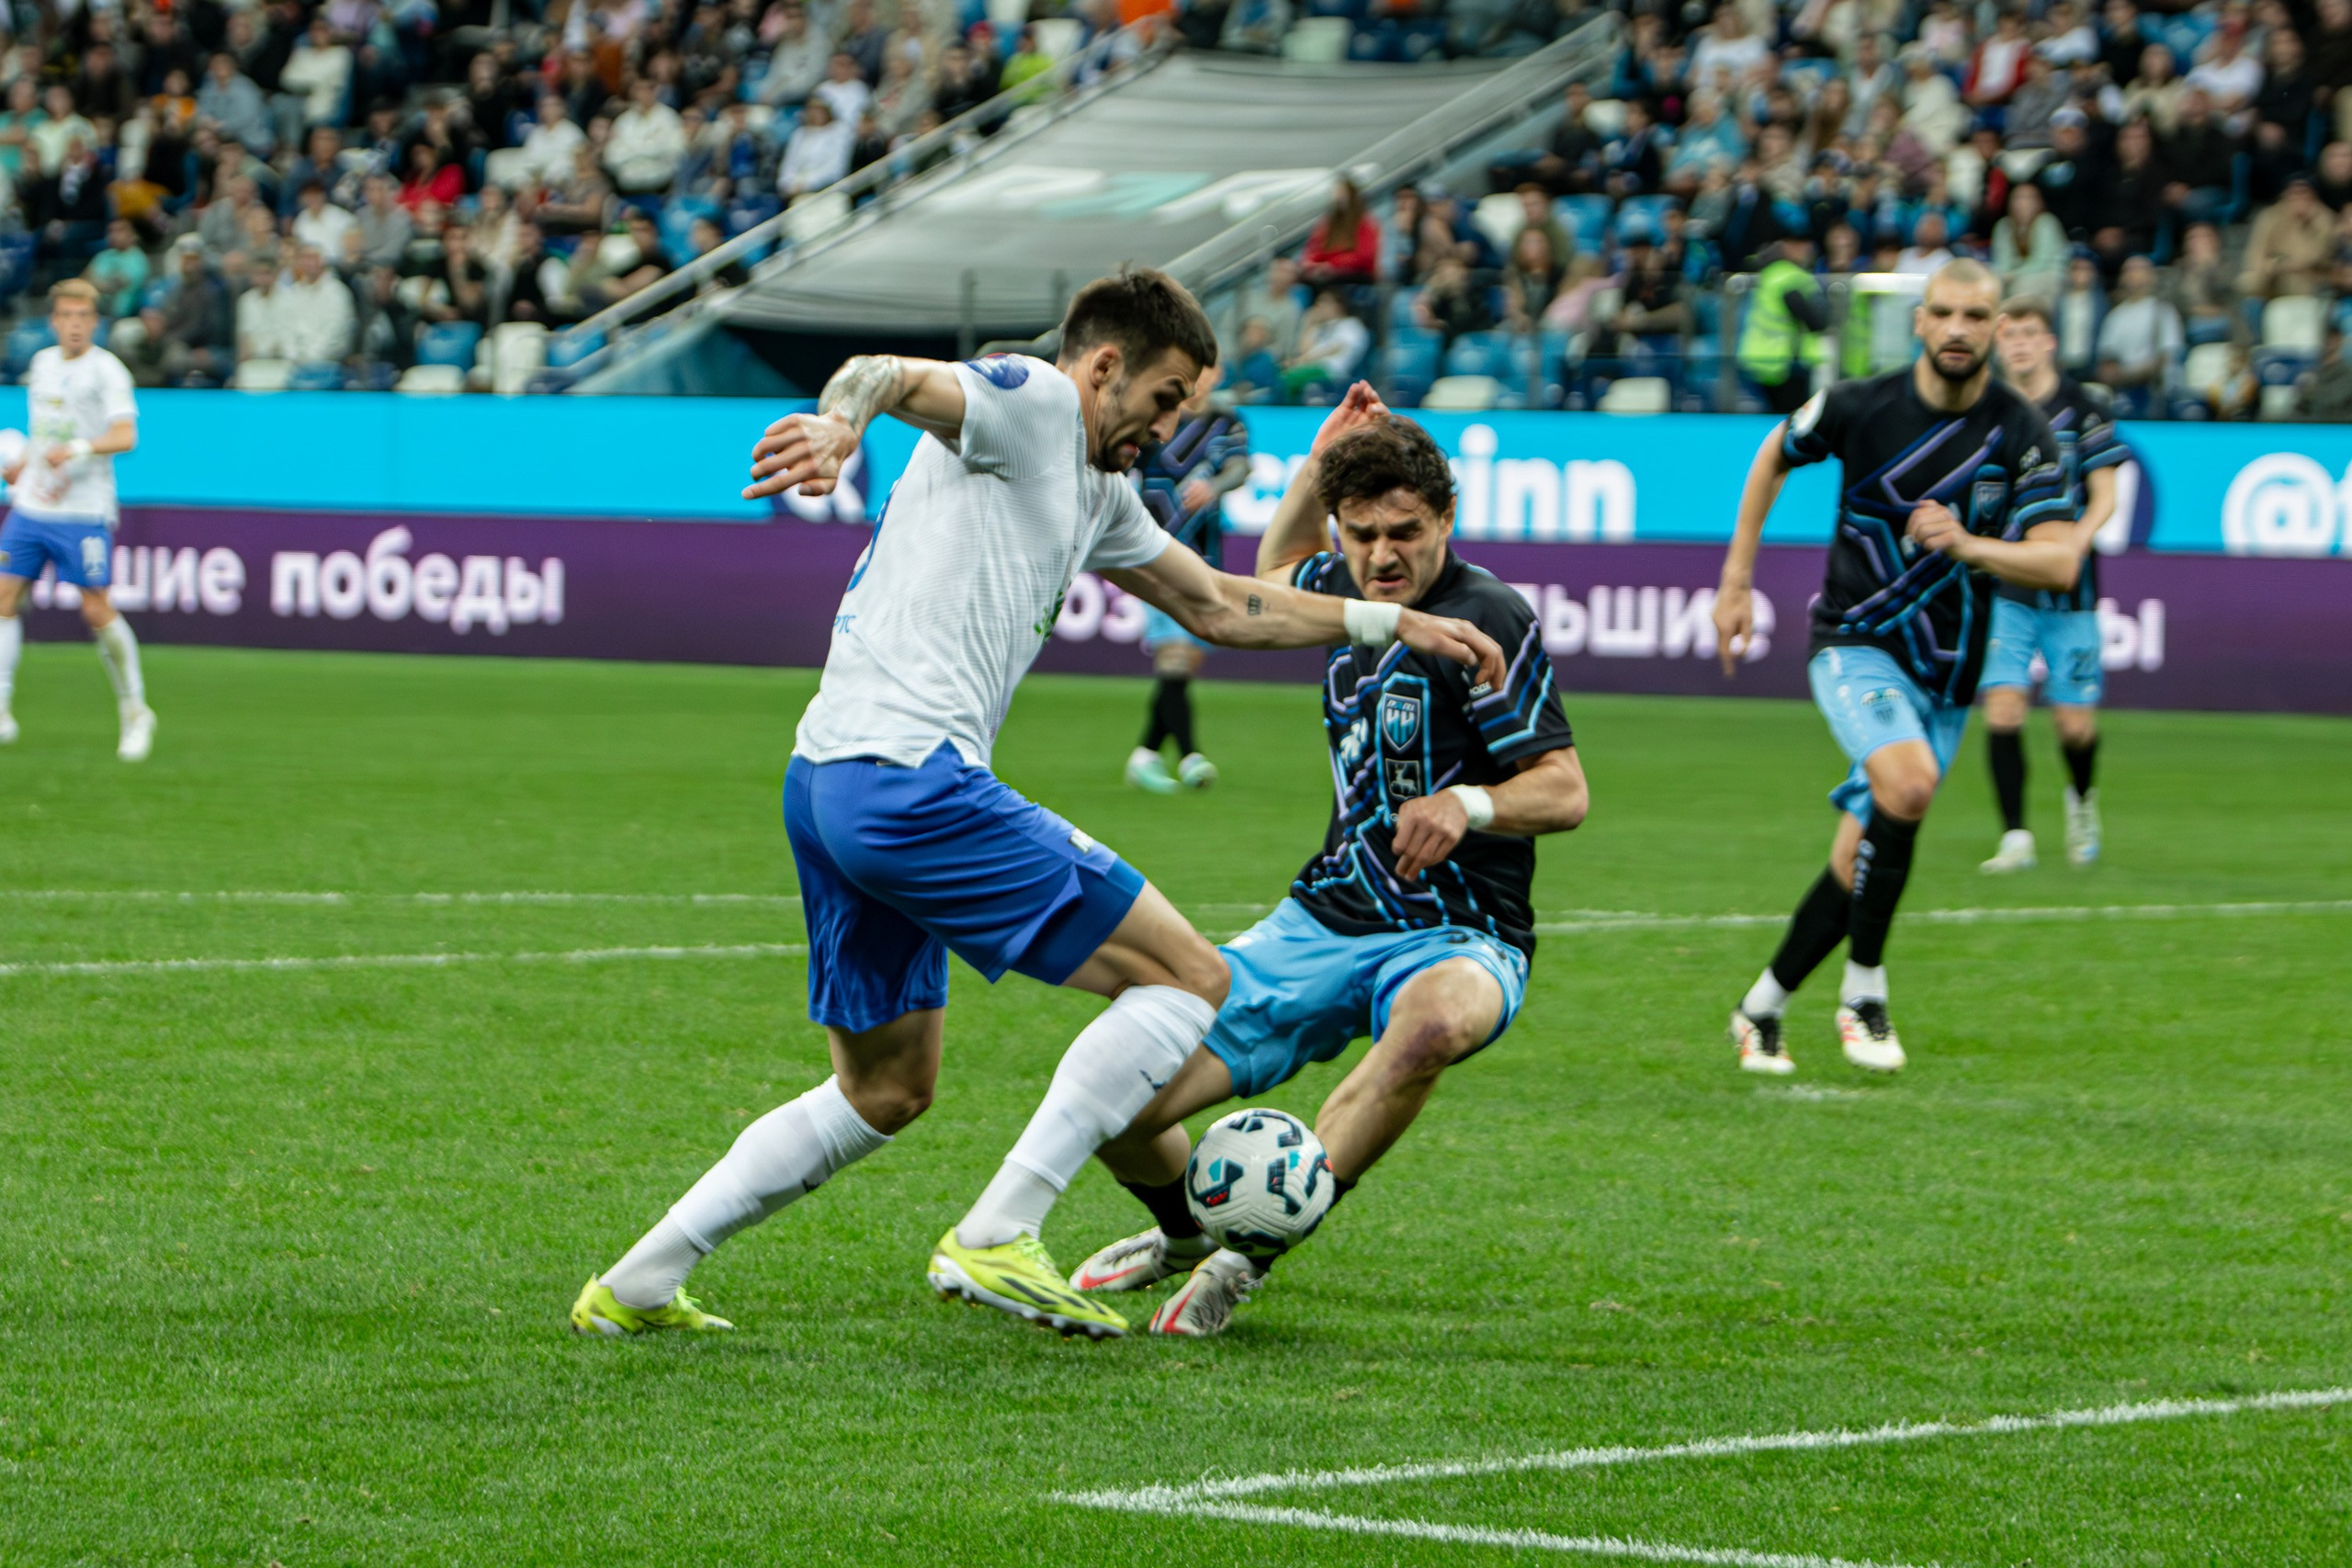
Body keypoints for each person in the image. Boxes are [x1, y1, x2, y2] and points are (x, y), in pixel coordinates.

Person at [570, 266, 1505, 1340]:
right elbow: (878, 372)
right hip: (910, 781)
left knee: (886, 1089)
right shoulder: (1030, 401)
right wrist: (836, 430)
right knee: (1193, 976)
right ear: (1103, 368)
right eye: (1162, 403)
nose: (1165, 432)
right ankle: (998, 1230)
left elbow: (1215, 604)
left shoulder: (1098, 485)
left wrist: (1389, 625)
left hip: (826, 781)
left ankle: (638, 1281)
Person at [1069, 402, 1588, 1336]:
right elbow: (1267, 583)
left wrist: (1465, 803)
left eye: (1405, 533)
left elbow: (1564, 789)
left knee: (1431, 1029)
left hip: (1462, 931)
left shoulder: (1485, 615)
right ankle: (1185, 1236)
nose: (1384, 556)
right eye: (1362, 535)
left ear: (1446, 522)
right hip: (1325, 916)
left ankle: (1245, 1256)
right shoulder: (1345, 589)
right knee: (1116, 1098)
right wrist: (1314, 469)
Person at [1712, 260, 2082, 1077]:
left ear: (1993, 329)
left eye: (1975, 316)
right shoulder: (1857, 405)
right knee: (1908, 786)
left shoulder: (2021, 430)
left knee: (1861, 857)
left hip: (1948, 674)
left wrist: (1971, 544)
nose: (1958, 329)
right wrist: (1735, 581)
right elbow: (1775, 451)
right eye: (1943, 313)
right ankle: (1864, 994)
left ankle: (1761, 1007)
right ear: (1919, 321)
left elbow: (2060, 563)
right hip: (1854, 641)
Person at [1979, 297, 2124, 874]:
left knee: (2074, 724)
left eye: (2028, 333)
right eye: (2008, 334)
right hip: (2009, 584)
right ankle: (2015, 835)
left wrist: (2073, 542)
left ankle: (2081, 800)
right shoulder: (1987, 408)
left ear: (2049, 343)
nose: (2017, 343)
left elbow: (2107, 494)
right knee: (2004, 709)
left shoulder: (2083, 408)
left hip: (2071, 590)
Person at [0, 281, 153, 761]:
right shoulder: (42, 364)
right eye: (66, 314)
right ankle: (1, 708)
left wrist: (80, 449)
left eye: (83, 315)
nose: (74, 323)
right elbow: (47, 433)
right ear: (53, 320)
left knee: (95, 608)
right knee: (3, 595)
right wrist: (23, 459)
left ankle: (134, 709)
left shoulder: (107, 371)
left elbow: (126, 435)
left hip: (83, 510)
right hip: (32, 506)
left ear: (95, 321)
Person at [1125, 364, 1250, 795]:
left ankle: (1145, 755)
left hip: (1204, 556)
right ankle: (1192, 756)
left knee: (1183, 665)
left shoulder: (1227, 421)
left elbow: (1240, 468)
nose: (1203, 376)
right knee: (1175, 657)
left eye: (1210, 368)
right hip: (1155, 551)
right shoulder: (1156, 414)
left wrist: (1214, 486)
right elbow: (1122, 461)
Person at [1737, 237, 1829, 412]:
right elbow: (1815, 321)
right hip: (1785, 363)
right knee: (1788, 419)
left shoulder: (1771, 273)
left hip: (1762, 358)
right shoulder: (1790, 277)